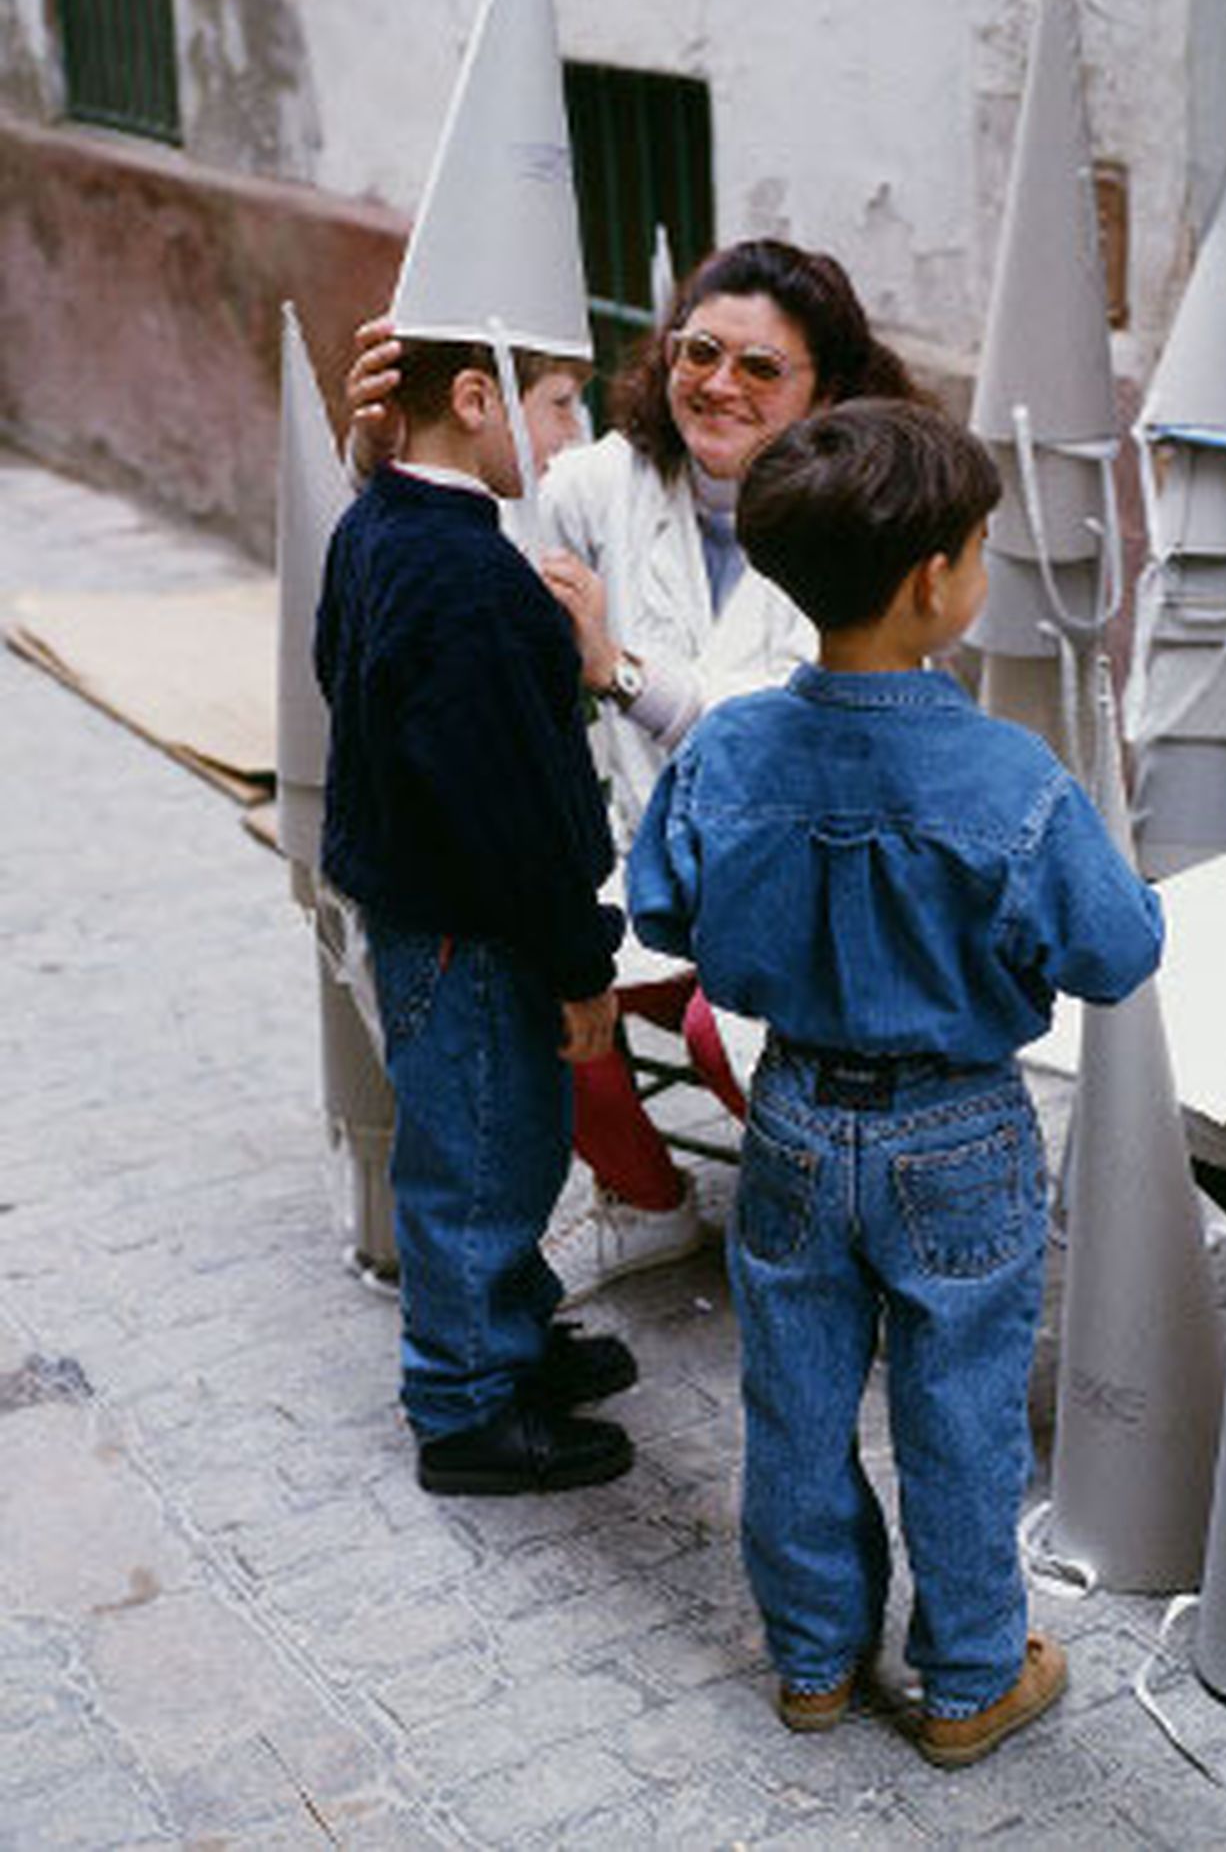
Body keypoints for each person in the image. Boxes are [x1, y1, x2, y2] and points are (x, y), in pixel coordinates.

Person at [626, 400, 1163, 1767]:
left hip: (794, 1116)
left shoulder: (729, 748)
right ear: (937, 579)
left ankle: (812, 1657)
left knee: (795, 1403)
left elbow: (664, 907)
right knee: (960, 1411)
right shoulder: (1010, 775)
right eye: (981, 547)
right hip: (956, 1127)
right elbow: (1117, 951)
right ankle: (973, 1673)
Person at [346, 238, 921, 1303]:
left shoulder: (866, 515)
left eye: (762, 368)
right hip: (644, 863)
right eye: (700, 350)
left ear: (826, 389)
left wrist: (615, 669)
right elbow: (469, 525)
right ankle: (649, 1200)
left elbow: (797, 742)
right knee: (530, 965)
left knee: (724, 1026)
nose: (718, 384)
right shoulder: (604, 480)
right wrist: (393, 441)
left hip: (815, 878)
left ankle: (847, 1228)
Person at [315, 336, 638, 1495]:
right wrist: (578, 958)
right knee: (480, 1159)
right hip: (471, 928)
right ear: (472, 398)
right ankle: (464, 1406)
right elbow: (513, 802)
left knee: (506, 1136)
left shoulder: (379, 524)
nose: (567, 436)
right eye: (556, 405)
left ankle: (509, 1331)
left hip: (432, 911)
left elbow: (332, 668)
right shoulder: (473, 574)